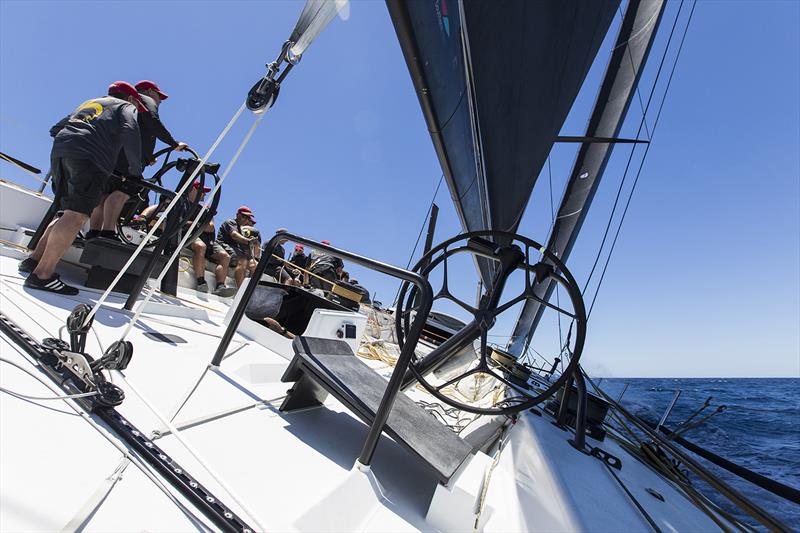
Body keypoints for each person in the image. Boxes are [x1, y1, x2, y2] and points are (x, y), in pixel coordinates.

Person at [20, 82, 144, 294]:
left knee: (66, 212)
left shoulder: (91, 103)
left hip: (61, 152)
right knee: (77, 215)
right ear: (131, 98)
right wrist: (135, 170)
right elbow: (130, 130)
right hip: (89, 158)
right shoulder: (125, 107)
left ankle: (33, 261)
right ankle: (42, 275)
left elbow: (56, 128)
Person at [87, 80, 188, 240]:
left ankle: (93, 232)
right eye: (159, 95)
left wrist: (148, 156)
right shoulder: (145, 100)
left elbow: (140, 129)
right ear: (148, 91)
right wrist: (174, 143)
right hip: (128, 158)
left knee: (104, 193)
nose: (160, 100)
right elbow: (153, 123)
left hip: (110, 154)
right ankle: (107, 233)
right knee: (123, 191)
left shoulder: (123, 102)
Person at [183, 182, 235, 297]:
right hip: (188, 237)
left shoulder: (205, 211)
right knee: (201, 246)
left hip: (209, 243)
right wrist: (199, 225)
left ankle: (220, 286)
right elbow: (180, 223)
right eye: (201, 190)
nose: (204, 194)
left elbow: (210, 227)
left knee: (225, 256)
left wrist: (192, 224)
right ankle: (201, 282)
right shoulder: (181, 204)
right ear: (191, 190)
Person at [216, 206, 259, 287]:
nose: (246, 220)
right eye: (244, 216)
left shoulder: (240, 229)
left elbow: (244, 246)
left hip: (234, 251)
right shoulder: (230, 222)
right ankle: (240, 290)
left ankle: (251, 287)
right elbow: (234, 235)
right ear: (237, 215)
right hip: (223, 246)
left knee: (255, 265)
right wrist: (248, 241)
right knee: (242, 260)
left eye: (248, 218)